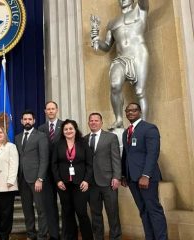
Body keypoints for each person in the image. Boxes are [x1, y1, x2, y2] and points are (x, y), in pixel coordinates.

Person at [91, 0, 149, 129]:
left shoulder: (140, 10)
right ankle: (118, 119)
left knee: (140, 92)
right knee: (115, 85)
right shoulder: (112, 22)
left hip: (138, 54)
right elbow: (106, 46)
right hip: (121, 57)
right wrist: (95, 37)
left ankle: (144, 125)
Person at [121, 103, 168, 239]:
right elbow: (126, 155)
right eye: (128, 111)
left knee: (154, 210)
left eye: (134, 110)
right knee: (143, 211)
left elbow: (153, 153)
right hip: (132, 179)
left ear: (140, 112)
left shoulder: (149, 128)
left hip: (146, 178)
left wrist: (146, 175)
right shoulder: (126, 132)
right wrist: (124, 174)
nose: (130, 113)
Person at [52, 119, 93, 240]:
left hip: (80, 184)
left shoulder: (83, 143)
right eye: (66, 129)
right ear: (62, 131)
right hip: (63, 184)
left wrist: (86, 180)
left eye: (71, 129)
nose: (68, 131)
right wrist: (58, 180)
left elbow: (90, 164)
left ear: (75, 130)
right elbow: (53, 164)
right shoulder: (58, 145)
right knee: (67, 213)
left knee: (81, 212)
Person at [85, 113, 122, 240]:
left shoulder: (111, 137)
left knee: (113, 213)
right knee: (95, 214)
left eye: (96, 120)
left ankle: (115, 237)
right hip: (92, 184)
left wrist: (117, 177)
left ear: (101, 122)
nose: (93, 122)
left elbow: (116, 158)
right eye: (91, 121)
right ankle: (98, 237)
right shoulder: (84, 139)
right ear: (88, 123)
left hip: (109, 182)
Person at [15, 110, 49, 240]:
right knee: (27, 210)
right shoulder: (18, 137)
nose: (27, 121)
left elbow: (44, 158)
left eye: (30, 119)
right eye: (25, 119)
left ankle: (42, 236)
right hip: (22, 179)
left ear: (34, 121)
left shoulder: (41, 136)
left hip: (36, 179)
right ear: (21, 121)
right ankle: (31, 235)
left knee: (41, 209)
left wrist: (40, 178)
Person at [38, 101, 65, 240]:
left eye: (53, 109)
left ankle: (67, 234)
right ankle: (54, 235)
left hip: (63, 173)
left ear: (57, 110)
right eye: (48, 109)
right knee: (50, 206)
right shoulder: (41, 129)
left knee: (66, 205)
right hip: (47, 174)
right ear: (45, 111)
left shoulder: (65, 126)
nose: (50, 111)